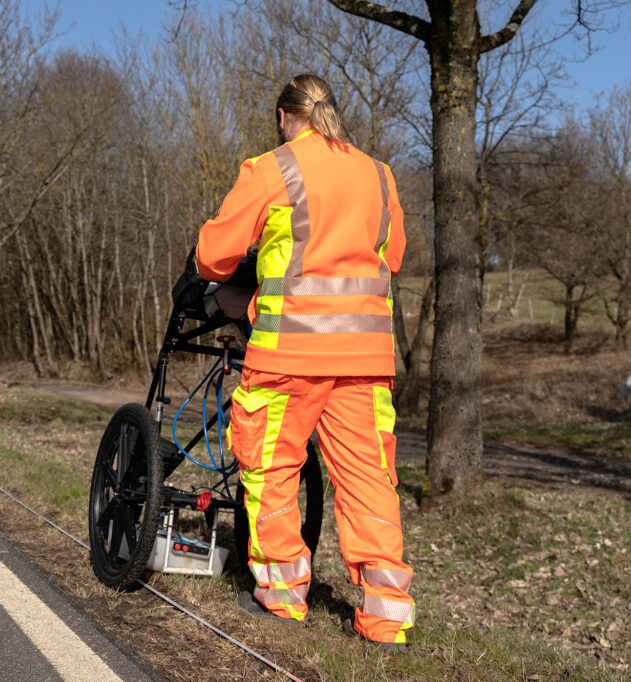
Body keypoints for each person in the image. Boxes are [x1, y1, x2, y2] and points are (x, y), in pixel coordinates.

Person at [195, 74, 413, 652]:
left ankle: (283, 597)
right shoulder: (378, 174)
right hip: (365, 360)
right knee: (370, 479)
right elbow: (393, 255)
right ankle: (386, 616)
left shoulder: (271, 168)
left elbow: (214, 256)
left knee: (271, 467)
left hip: (291, 353)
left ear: (283, 117)